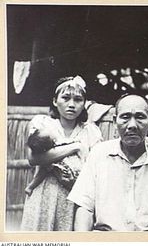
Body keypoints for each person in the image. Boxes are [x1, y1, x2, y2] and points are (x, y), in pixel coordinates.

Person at [68, 94, 148, 231]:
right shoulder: (98, 154)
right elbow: (85, 208)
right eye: (125, 117)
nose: (132, 125)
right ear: (114, 121)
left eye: (140, 117)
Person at [21, 76, 103, 231]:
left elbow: (95, 168)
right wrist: (75, 147)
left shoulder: (91, 131)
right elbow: (34, 158)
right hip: (44, 194)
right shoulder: (43, 123)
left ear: (84, 104)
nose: (71, 104)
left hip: (76, 197)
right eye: (65, 98)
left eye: (78, 100)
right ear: (54, 101)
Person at [24, 123, 85, 196]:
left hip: (57, 167)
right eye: (49, 134)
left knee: (42, 172)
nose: (50, 131)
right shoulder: (58, 144)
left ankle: (30, 186)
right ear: (53, 140)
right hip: (62, 167)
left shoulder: (49, 148)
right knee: (43, 171)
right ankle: (30, 186)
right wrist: (76, 142)